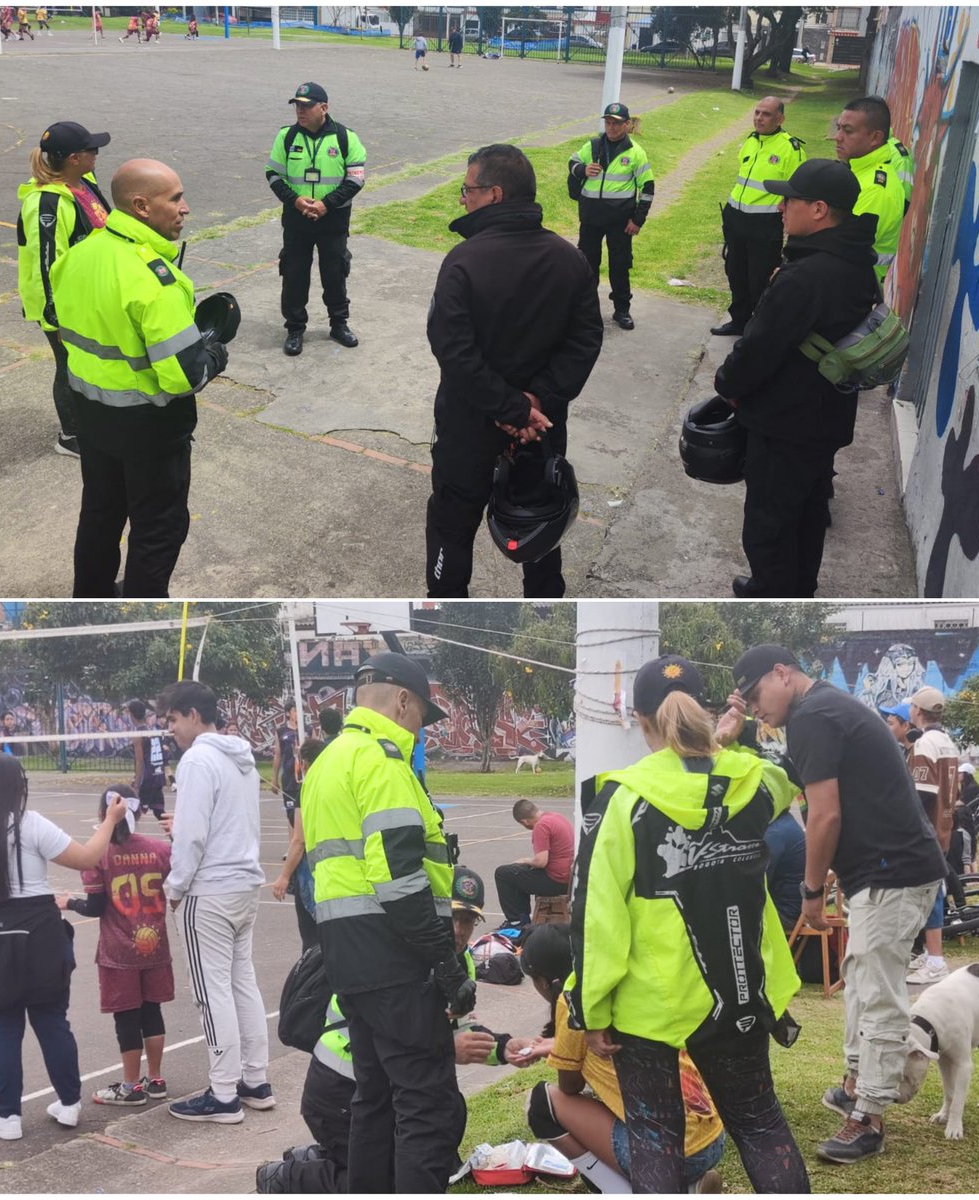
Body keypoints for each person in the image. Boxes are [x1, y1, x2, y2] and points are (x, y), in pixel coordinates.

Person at [568, 654, 808, 1193]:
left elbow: (595, 914)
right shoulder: (754, 782)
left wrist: (592, 1007)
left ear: (638, 719)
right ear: (705, 712)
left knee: (656, 1138)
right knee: (761, 1123)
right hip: (740, 991)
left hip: (649, 1005)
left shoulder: (621, 799)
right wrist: (723, 744)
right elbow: (779, 780)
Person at [731, 644, 946, 1164]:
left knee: (876, 991)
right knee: (858, 977)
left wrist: (810, 891)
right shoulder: (823, 709)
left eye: (756, 696)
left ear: (782, 673)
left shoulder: (814, 717)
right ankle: (855, 1083)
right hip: (880, 871)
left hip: (893, 873)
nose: (757, 709)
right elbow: (825, 797)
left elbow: (823, 816)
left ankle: (869, 1114)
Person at [301, 651, 472, 1192]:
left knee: (373, 1102)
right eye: (422, 713)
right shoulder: (383, 762)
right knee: (427, 1105)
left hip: (346, 961)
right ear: (402, 701)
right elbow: (399, 881)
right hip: (397, 958)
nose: (422, 728)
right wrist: (445, 962)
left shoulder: (327, 761)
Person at [255, 866, 532, 1193]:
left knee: (428, 1150)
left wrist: (504, 1047)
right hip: (342, 1091)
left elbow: (459, 1029)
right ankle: (289, 1177)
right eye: (451, 917)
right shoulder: (396, 957)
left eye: (469, 921)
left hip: (387, 1088)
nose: (459, 930)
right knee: (384, 1183)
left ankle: (320, 1158)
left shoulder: (457, 962)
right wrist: (444, 1046)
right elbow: (389, 1035)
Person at [426, 144, 603, 598]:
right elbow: (584, 341)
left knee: (452, 526)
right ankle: (546, 609)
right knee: (542, 524)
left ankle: (447, 603)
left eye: (467, 189)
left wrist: (512, 407)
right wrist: (534, 403)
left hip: (471, 425)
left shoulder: (463, 261)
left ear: (495, 194)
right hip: (541, 426)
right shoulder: (570, 258)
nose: (462, 198)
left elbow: (453, 350)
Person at [51, 158, 229, 598]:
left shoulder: (80, 255)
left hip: (92, 417)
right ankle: (144, 599)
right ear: (142, 206)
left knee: (99, 517)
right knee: (157, 529)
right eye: (175, 198)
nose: (185, 207)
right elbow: (184, 376)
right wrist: (215, 353)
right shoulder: (155, 281)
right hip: (150, 428)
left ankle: (90, 597)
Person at [0, 753, 129, 1140]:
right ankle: (69, 1103)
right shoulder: (31, 825)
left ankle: (7, 1117)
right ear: (16, 787)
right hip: (39, 932)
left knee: (1, 1027)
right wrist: (110, 820)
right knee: (51, 1019)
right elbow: (88, 857)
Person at [714, 159, 878, 599]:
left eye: (790, 199)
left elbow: (759, 347)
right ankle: (798, 585)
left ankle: (769, 590)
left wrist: (727, 386)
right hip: (826, 416)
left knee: (769, 522)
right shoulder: (855, 259)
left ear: (820, 209)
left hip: (786, 421)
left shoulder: (806, 277)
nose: (781, 206)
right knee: (807, 514)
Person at [520, 923, 726, 1194]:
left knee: (541, 1102)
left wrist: (565, 1050)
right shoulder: (627, 979)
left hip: (675, 1153)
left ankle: (644, 1192)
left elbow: (570, 1087)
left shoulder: (572, 999)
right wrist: (557, 1045)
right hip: (712, 1137)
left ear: (544, 980)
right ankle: (688, 1184)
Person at [155, 682, 270, 1122]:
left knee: (212, 991)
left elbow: (194, 834)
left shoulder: (199, 759)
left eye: (172, 720)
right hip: (242, 884)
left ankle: (223, 1093)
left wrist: (176, 886)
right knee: (242, 983)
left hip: (211, 889)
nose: (171, 730)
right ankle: (255, 1080)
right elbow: (215, 823)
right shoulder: (239, 757)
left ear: (192, 715)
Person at [56, 785, 174, 1106]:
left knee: (126, 1015)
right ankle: (157, 1077)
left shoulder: (98, 856)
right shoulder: (159, 850)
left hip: (119, 948)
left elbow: (95, 907)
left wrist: (68, 902)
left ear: (102, 814)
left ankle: (131, 1086)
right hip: (155, 944)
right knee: (152, 1009)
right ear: (138, 813)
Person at [17, 121, 111, 458]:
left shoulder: (83, 183)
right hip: (62, 305)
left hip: (89, 295)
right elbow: (45, 264)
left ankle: (92, 421)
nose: (97, 154)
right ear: (74, 158)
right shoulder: (47, 204)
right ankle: (71, 435)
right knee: (68, 365)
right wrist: (54, 317)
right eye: (91, 150)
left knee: (87, 362)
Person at [266, 82, 366, 357]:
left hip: (332, 221)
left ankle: (338, 323)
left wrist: (326, 204)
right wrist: (296, 201)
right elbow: (273, 175)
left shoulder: (346, 137)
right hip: (297, 220)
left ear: (324, 108)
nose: (301, 111)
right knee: (294, 274)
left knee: (334, 273)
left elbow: (356, 178)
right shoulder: (286, 137)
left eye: (307, 106)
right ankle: (295, 328)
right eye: (297, 105)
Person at [711, 96, 806, 337]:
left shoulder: (790, 148)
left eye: (766, 114)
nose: (759, 118)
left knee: (760, 280)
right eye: (757, 112)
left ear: (780, 119)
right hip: (737, 220)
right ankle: (739, 321)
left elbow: (794, 191)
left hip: (764, 225)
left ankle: (758, 328)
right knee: (736, 274)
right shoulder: (751, 140)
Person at [568, 102, 655, 331]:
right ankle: (586, 311)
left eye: (616, 123)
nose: (611, 127)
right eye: (607, 122)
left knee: (619, 264)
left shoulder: (635, 152)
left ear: (627, 125)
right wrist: (582, 170)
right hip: (590, 218)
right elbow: (572, 163)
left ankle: (622, 310)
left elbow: (647, 187)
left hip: (620, 221)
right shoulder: (593, 145)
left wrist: (638, 220)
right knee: (587, 264)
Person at [903, 686, 959, 986]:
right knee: (933, 889)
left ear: (917, 711)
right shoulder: (948, 742)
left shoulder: (925, 744)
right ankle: (930, 952)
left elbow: (921, 794)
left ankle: (936, 959)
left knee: (930, 893)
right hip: (945, 824)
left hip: (928, 829)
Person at [834, 96, 906, 286]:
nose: (837, 137)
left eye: (848, 131)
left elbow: (840, 247)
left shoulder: (875, 189)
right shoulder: (858, 172)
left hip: (852, 287)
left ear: (875, 138)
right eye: (838, 128)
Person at [271, 736, 324, 950]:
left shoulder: (309, 787)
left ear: (303, 763)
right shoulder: (338, 785)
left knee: (311, 939)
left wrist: (284, 876)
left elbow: (299, 840)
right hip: (334, 868)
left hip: (310, 870)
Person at [493, 799, 573, 928]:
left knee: (503, 874)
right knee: (518, 873)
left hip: (556, 881)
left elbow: (541, 862)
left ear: (524, 822)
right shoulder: (558, 817)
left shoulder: (541, 826)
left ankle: (516, 921)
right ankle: (522, 917)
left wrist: (525, 860)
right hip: (569, 878)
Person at [763, 805, 806, 932]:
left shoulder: (775, 833)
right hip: (796, 912)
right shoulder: (786, 823)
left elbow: (757, 882)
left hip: (784, 914)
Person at [127, 699, 167, 818]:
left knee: (132, 812)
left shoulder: (139, 735)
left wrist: (137, 784)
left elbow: (140, 761)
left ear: (132, 715)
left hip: (147, 780)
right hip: (157, 776)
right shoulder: (153, 731)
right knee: (159, 812)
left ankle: (122, 836)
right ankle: (175, 836)